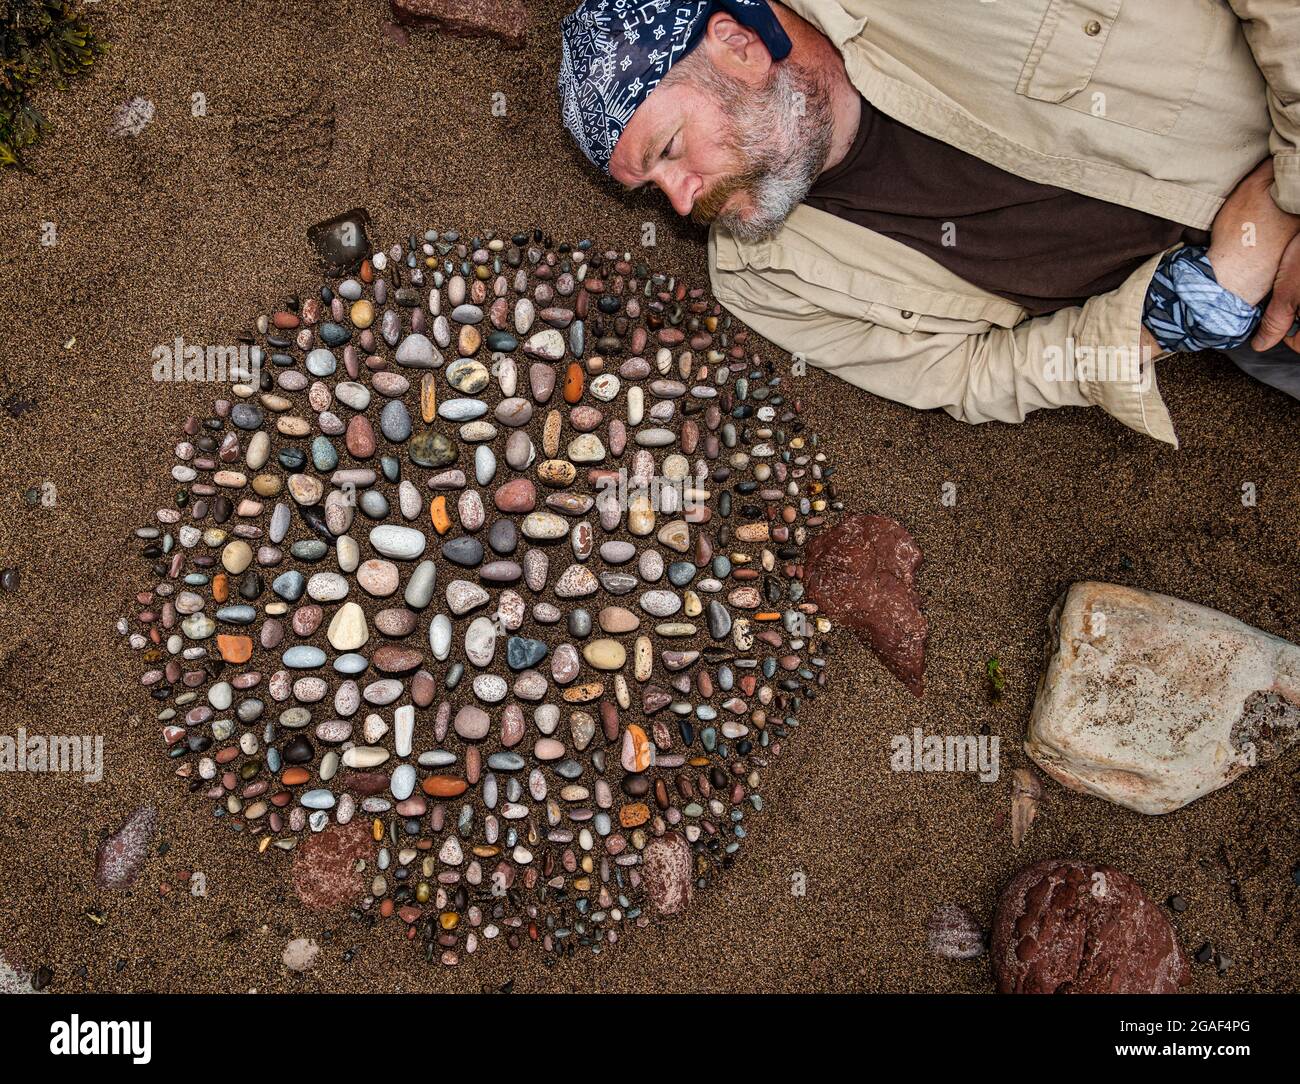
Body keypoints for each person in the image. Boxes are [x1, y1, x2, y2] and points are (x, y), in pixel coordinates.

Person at [558, 0, 1300, 447]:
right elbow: (977, 378)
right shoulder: (764, 282)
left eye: (668, 152)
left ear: (738, 44)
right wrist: (1193, 303)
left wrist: (1292, 183)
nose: (683, 202)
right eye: (654, 193)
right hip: (1258, 322)